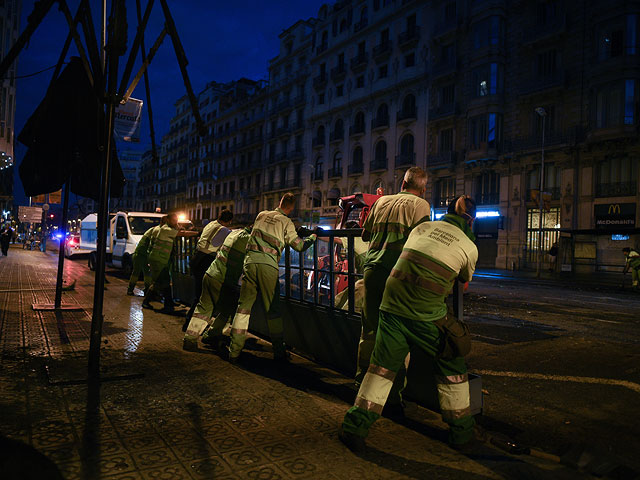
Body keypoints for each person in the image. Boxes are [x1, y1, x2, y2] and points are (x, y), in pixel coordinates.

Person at [340, 195, 479, 454]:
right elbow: (463, 278)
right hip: (424, 312)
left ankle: (354, 427)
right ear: (470, 221)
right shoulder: (468, 245)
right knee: (453, 358)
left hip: (390, 305)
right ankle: (462, 433)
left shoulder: (422, 228)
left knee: (380, 369)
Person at [356, 166, 430, 414]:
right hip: (396, 275)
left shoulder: (380, 202)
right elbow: (422, 243)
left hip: (372, 270)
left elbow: (365, 235)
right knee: (397, 337)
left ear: (402, 183)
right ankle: (393, 398)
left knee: (369, 330)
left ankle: (360, 383)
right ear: (423, 188)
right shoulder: (421, 206)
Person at [227, 192, 317, 363]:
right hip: (268, 266)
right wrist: (313, 236)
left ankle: (234, 350)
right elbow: (299, 246)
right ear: (291, 207)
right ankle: (279, 351)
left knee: (243, 308)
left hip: (250, 263)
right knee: (273, 310)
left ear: (279, 202)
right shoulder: (286, 222)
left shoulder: (262, 215)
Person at [183, 225, 252, 351]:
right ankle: (211, 335)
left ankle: (189, 339)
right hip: (223, 280)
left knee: (203, 308)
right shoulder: (250, 241)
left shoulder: (233, 233)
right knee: (228, 311)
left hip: (210, 274)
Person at [183, 210, 233, 330]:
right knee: (203, 296)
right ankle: (191, 324)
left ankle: (190, 322)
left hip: (197, 258)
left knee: (199, 294)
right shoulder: (225, 231)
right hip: (206, 260)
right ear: (230, 221)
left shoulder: (210, 224)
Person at [142, 212, 180, 313]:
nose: (176, 222)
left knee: (165, 280)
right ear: (168, 220)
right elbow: (180, 233)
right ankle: (146, 301)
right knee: (159, 282)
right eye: (174, 220)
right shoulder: (165, 229)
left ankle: (168, 302)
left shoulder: (167, 228)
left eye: (177, 220)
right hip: (158, 259)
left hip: (161, 259)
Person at [127, 218, 165, 295]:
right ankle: (131, 289)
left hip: (142, 253)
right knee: (138, 272)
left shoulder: (155, 229)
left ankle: (143, 289)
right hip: (141, 254)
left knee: (144, 272)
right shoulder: (157, 230)